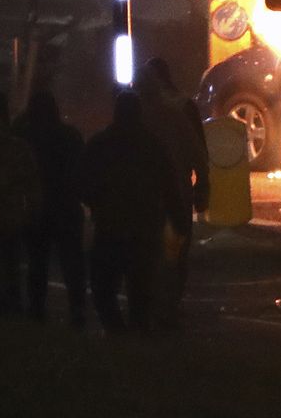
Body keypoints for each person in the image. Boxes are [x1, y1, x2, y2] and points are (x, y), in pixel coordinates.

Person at [80, 89, 179, 334]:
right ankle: (137, 337)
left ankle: (117, 333)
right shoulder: (153, 145)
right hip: (145, 228)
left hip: (111, 226)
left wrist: (96, 203)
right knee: (141, 290)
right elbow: (169, 183)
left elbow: (81, 181)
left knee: (103, 287)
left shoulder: (101, 143)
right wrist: (176, 218)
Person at [138, 57, 210, 326]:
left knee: (148, 254)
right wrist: (203, 187)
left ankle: (150, 309)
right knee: (174, 254)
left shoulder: (137, 118)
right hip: (176, 196)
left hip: (146, 200)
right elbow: (199, 155)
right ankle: (168, 306)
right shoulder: (179, 111)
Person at [13, 90, 86, 326]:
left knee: (37, 263)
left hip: (38, 206)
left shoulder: (26, 137)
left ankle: (37, 310)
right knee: (72, 263)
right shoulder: (70, 136)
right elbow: (80, 170)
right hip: (66, 206)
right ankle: (77, 310)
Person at [0, 91, 42, 316]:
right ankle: (10, 308)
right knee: (8, 265)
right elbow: (31, 182)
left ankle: (0, 308)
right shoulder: (16, 145)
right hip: (7, 216)